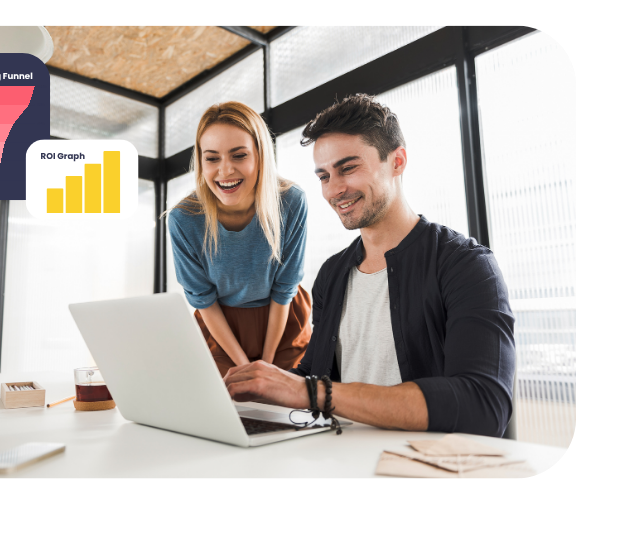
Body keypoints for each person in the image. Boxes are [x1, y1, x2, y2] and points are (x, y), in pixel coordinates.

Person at [223, 94, 515, 437]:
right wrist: (255, 388)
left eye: (348, 168)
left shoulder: (466, 266)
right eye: (323, 176)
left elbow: (483, 405)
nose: (335, 189)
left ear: (397, 161)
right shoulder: (333, 273)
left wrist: (309, 391)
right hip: (342, 460)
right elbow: (314, 376)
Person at [167, 102, 311, 377]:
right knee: (229, 407)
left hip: (282, 320)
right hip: (221, 328)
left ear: (260, 156)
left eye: (239, 155)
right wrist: (246, 366)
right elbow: (203, 299)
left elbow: (285, 288)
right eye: (212, 158)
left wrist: (266, 366)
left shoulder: (292, 202)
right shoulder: (183, 219)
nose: (225, 171)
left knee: (287, 404)